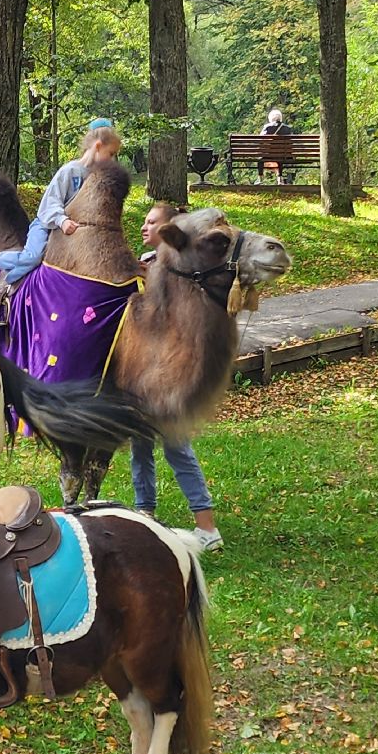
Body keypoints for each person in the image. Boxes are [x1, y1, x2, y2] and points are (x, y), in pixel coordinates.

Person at [130, 202, 224, 552]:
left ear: (170, 230)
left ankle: (207, 526)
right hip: (142, 369)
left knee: (176, 447)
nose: (144, 226)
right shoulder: (145, 260)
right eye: (144, 221)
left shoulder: (183, 266)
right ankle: (146, 514)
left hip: (170, 371)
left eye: (151, 222)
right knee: (140, 448)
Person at [0, 119, 122, 288]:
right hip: (46, 224)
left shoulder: (94, 177)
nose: (112, 160)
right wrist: (61, 220)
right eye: (111, 153)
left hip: (66, 231)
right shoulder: (70, 171)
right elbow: (50, 203)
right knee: (33, 256)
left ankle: (9, 278)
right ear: (98, 146)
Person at [259, 108, 294, 184]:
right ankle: (280, 178)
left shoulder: (267, 127)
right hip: (284, 155)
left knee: (260, 160)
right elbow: (291, 142)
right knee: (279, 159)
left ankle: (260, 179)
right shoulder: (287, 128)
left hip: (269, 155)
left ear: (270, 118)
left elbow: (260, 140)